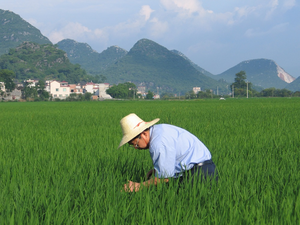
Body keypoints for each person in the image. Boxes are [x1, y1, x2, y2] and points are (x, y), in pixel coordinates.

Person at [119, 113, 218, 192]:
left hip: (198, 175)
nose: (136, 148)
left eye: (135, 143)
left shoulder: (158, 144)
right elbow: (177, 155)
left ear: (143, 134)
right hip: (205, 169)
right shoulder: (160, 129)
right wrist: (157, 170)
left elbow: (164, 178)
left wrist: (139, 186)